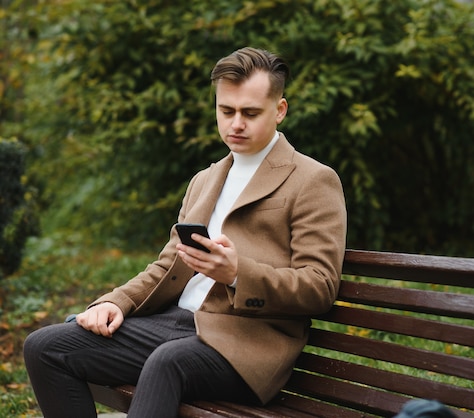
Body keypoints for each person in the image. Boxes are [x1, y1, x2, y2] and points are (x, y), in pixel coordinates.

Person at [23, 47, 347, 418]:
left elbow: (319, 286)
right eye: (226, 111)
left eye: (250, 113)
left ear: (280, 110)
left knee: (167, 362)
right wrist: (116, 302)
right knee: (45, 347)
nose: (235, 124)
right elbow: (167, 265)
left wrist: (239, 274)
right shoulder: (205, 180)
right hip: (174, 326)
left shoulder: (312, 180)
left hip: (244, 344)